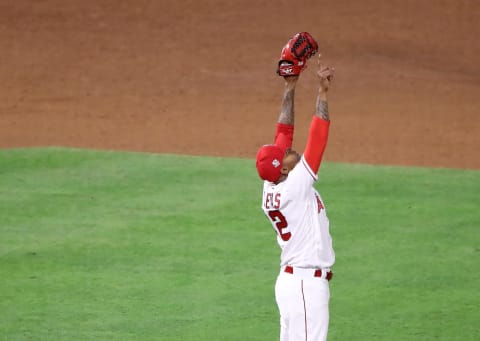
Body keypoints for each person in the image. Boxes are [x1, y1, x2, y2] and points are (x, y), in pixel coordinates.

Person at [255, 55, 335, 341]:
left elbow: (283, 132)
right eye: (286, 154)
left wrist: (290, 86)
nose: (290, 150)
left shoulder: (274, 184)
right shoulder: (296, 185)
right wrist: (322, 92)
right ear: (284, 169)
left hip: (292, 283)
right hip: (304, 286)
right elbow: (317, 140)